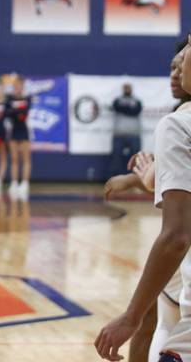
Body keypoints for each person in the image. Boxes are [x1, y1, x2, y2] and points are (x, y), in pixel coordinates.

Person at [95, 35, 191, 362]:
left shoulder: (178, 124)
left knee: (151, 315)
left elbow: (177, 234)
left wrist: (145, 179)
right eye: (172, 66)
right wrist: (141, 178)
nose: (175, 73)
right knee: (155, 313)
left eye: (183, 61)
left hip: (182, 236)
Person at [110, 83, 144, 177]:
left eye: (128, 88)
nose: (127, 89)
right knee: (116, 160)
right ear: (122, 89)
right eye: (125, 88)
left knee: (136, 159)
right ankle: (115, 179)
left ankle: (136, 179)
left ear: (131, 89)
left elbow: (136, 110)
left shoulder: (137, 101)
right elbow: (117, 108)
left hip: (134, 134)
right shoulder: (117, 100)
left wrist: (125, 109)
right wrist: (129, 109)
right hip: (119, 134)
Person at [6, 76, 32, 199]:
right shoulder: (9, 98)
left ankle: (25, 183)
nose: (17, 87)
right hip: (14, 130)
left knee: (25, 158)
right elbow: (8, 113)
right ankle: (14, 182)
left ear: (23, 86)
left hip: (24, 130)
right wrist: (16, 111)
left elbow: (24, 113)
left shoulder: (27, 98)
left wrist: (15, 111)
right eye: (15, 85)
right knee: (14, 158)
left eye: (20, 85)